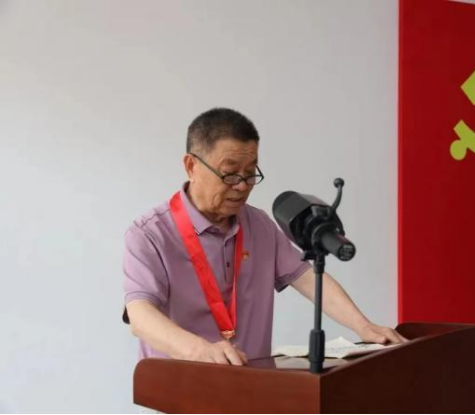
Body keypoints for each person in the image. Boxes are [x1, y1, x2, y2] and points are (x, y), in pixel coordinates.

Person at [123, 108, 406, 365]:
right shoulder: (150, 234)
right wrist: (200, 350)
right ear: (191, 166)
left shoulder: (259, 225)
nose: (242, 186)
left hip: (251, 387)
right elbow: (140, 316)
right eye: (230, 174)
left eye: (250, 174)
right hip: (179, 389)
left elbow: (307, 278)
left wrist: (363, 326)